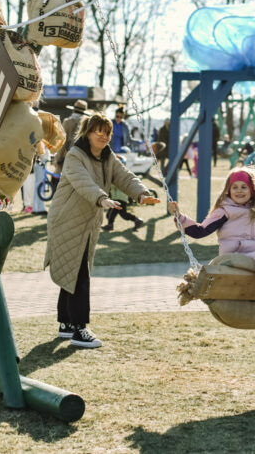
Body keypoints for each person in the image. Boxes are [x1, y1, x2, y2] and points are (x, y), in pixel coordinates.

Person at [44, 113, 160, 348]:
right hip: (67, 220)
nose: (103, 136)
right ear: (87, 132)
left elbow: (124, 177)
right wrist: (102, 198)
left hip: (88, 221)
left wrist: (141, 194)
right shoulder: (75, 156)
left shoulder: (108, 158)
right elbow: (83, 182)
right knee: (78, 273)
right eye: (98, 131)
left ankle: (66, 323)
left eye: (107, 132)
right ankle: (79, 329)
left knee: (74, 268)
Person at [169, 168, 255, 321]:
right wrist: (180, 217)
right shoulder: (224, 211)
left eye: (244, 187)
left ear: (251, 190)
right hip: (234, 257)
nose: (239, 191)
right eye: (235, 187)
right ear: (228, 190)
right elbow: (201, 231)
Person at [55, 99, 88, 171]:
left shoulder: (67, 122)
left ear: (74, 109)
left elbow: (62, 142)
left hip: (68, 156)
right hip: (83, 158)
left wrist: (58, 158)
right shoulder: (87, 123)